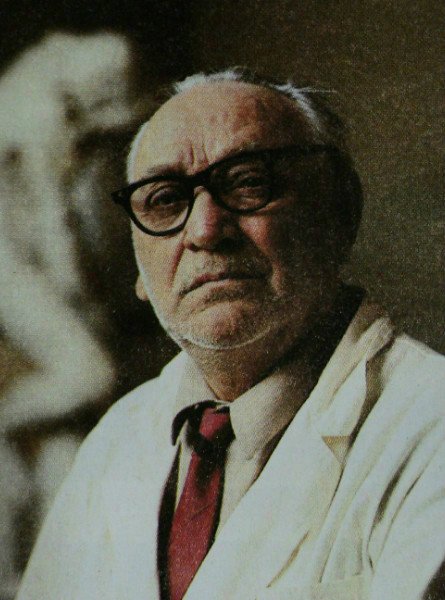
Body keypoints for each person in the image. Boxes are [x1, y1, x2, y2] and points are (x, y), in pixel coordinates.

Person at [17, 68, 445, 600]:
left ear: (339, 213)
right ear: (139, 269)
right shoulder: (116, 440)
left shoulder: (429, 426)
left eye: (247, 183)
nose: (204, 230)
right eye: (165, 200)